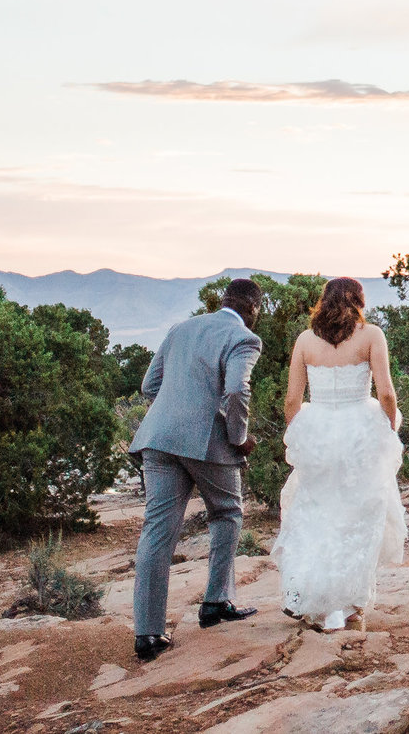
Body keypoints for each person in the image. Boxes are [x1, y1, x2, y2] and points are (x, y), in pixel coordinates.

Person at [127, 277, 265, 661]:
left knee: (157, 530)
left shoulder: (181, 328)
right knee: (227, 512)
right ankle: (216, 602)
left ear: (223, 299)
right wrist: (237, 437)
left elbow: (149, 385)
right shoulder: (244, 339)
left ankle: (148, 634)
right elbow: (237, 390)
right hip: (206, 443)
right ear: (253, 309)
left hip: (157, 439)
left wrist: (177, 410)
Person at [273, 275, 407, 631]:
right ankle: (346, 605)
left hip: (318, 431)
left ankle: (314, 601)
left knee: (316, 515)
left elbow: (291, 401)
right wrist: (389, 428)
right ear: (358, 301)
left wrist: (299, 434)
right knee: (356, 518)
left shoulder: (305, 340)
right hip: (359, 433)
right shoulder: (371, 335)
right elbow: (388, 395)